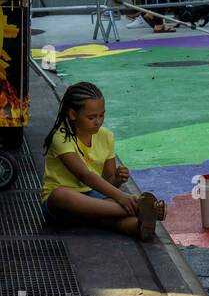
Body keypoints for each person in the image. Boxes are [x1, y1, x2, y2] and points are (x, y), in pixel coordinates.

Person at [41, 82, 165, 241]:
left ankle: (139, 226)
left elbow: (109, 182)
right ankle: (139, 209)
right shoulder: (61, 137)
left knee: (105, 216)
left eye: (102, 115)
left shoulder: (106, 136)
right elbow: (83, 175)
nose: (98, 122)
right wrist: (121, 197)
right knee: (60, 195)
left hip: (95, 201)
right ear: (72, 114)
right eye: (91, 117)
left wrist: (118, 178)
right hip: (64, 208)